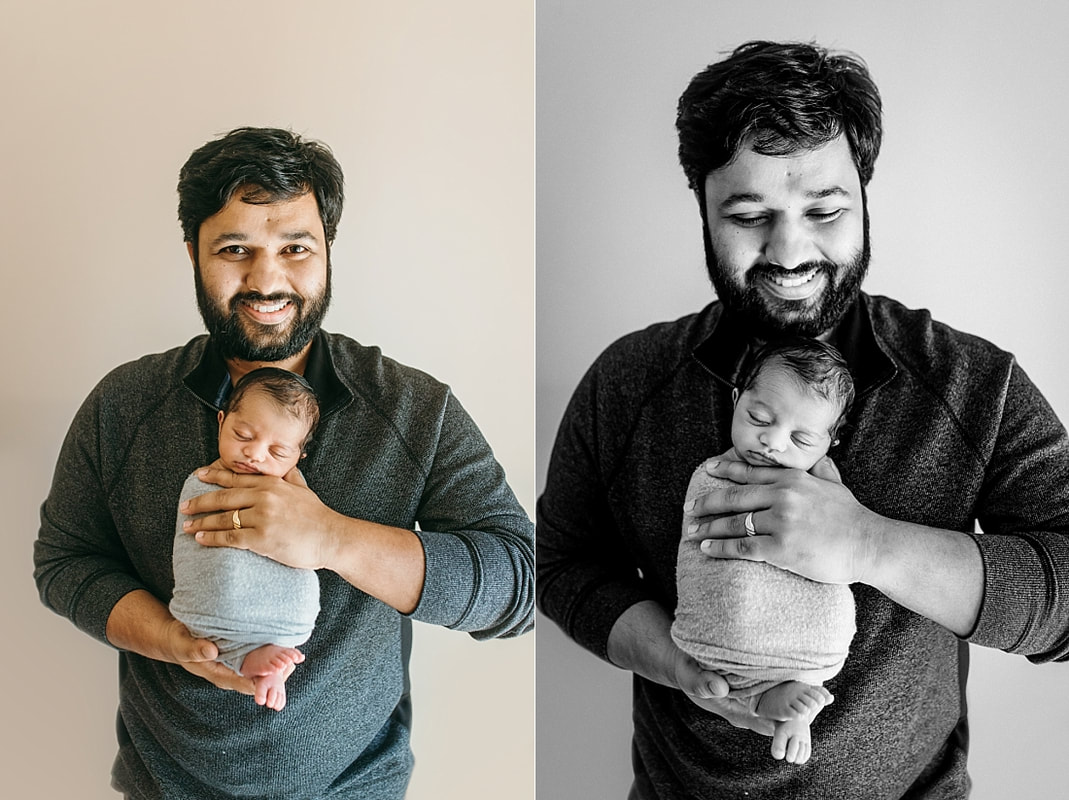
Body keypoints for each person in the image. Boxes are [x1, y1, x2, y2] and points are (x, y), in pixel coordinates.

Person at [537, 40, 1069, 798]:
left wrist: (866, 545)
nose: (789, 251)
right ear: (701, 210)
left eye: (823, 210)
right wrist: (677, 663)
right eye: (749, 214)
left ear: (864, 196)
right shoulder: (627, 382)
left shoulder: (970, 384)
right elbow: (560, 565)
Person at [34, 127, 534, 799]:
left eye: (295, 248)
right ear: (193, 254)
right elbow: (65, 561)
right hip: (164, 785)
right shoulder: (123, 405)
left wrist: (330, 537)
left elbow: (521, 585)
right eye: (235, 249)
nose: (267, 280)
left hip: (355, 787)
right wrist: (170, 640)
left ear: (328, 250)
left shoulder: (415, 409)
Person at [671, 337, 856, 765]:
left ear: (830, 443)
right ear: (737, 399)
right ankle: (758, 698)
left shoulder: (826, 488)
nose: (772, 441)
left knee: (824, 624)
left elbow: (839, 547)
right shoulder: (714, 473)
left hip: (806, 645)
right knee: (728, 629)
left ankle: (784, 698)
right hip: (725, 634)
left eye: (802, 438)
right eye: (759, 417)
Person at [170, 367, 322, 713]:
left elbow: (311, 536)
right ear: (221, 422)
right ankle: (248, 658)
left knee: (285, 623)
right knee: (218, 624)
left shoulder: (295, 494)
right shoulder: (205, 480)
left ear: (298, 458)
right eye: (243, 434)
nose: (254, 454)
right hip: (213, 610)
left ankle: (262, 664)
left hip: (284, 622)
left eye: (278, 452)